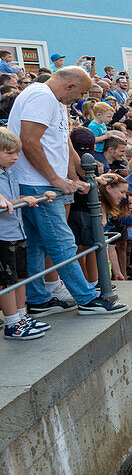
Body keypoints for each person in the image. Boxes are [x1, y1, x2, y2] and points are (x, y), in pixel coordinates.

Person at [9, 67, 126, 316]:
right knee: (63, 242)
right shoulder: (41, 96)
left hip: (45, 182)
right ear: (70, 86)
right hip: (37, 183)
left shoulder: (56, 100)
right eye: (82, 93)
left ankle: (38, 299)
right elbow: (29, 141)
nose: (81, 99)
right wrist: (56, 179)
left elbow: (64, 144)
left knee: (38, 244)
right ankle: (86, 298)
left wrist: (75, 178)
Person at [0, 128, 53, 339]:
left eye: (16, 153)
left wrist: (36, 197)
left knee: (21, 277)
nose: (15, 157)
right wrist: (23, 201)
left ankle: (22, 317)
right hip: (3, 236)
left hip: (16, 232)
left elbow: (11, 197)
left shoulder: (9, 173)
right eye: (9, 153)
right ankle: (12, 323)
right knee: (6, 281)